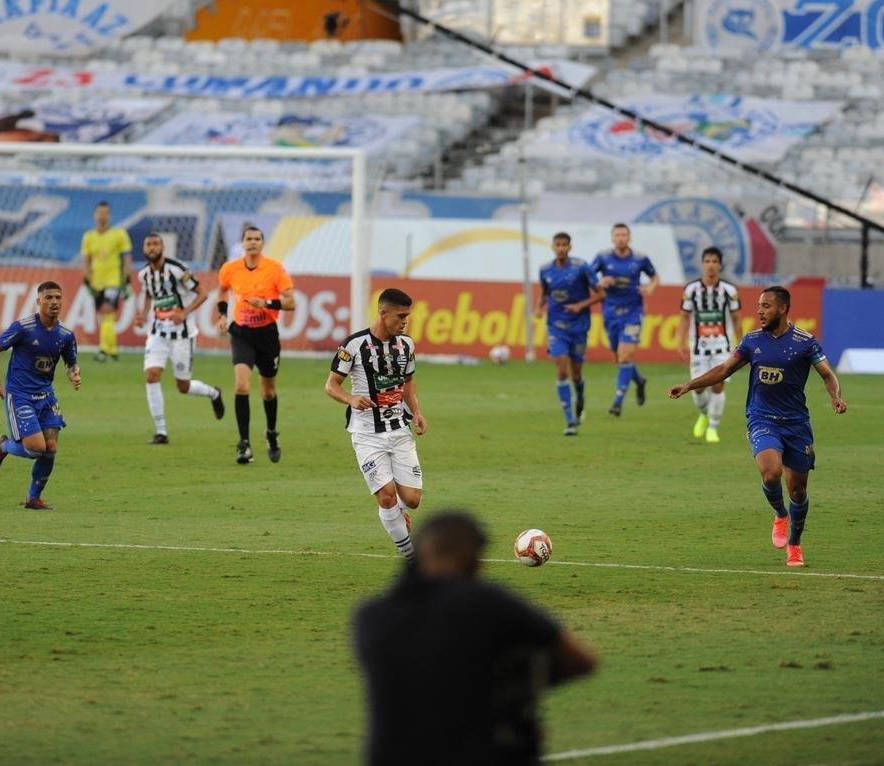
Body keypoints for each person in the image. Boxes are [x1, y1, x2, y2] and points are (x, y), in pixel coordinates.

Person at [354, 511, 598, 766]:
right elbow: (582, 660)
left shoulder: (369, 617)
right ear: (469, 558)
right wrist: (513, 684)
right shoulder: (485, 602)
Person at [668, 286, 847, 567]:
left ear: (783, 308)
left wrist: (835, 396)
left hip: (796, 423)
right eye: (759, 306)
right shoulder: (751, 341)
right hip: (761, 418)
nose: (760, 311)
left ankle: (796, 544)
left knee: (798, 490)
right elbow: (724, 370)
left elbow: (827, 373)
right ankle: (779, 513)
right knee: (771, 473)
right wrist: (689, 385)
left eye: (766, 306)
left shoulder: (805, 342)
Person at [325, 288, 428, 560]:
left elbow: (408, 383)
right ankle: (410, 557)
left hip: (399, 431)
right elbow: (331, 385)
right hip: (366, 434)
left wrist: (416, 412)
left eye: (407, 316)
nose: (405, 321)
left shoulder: (406, 345)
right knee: (386, 497)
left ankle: (398, 513)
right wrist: (351, 399)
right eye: (400, 316)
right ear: (383, 313)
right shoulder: (353, 345)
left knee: (413, 500)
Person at [0, 281, 81, 510]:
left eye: (58, 298)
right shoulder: (23, 327)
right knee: (36, 448)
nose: (54, 302)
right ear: (39, 302)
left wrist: (74, 374)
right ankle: (5, 446)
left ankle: (33, 497)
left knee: (51, 448)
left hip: (46, 396)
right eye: (48, 298)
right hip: (20, 395)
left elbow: (70, 362)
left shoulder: (66, 335)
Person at [133, 232, 225, 444]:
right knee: (152, 375)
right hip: (157, 333)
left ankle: (213, 393)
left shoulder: (177, 269)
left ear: (163, 247)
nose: (152, 248)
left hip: (182, 335)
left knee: (182, 386)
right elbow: (149, 294)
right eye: (148, 245)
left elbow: (203, 293)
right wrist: (144, 313)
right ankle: (161, 432)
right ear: (145, 249)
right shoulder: (144, 275)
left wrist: (184, 312)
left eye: (156, 244)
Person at [215, 224, 295, 464]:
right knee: (241, 386)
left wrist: (268, 303)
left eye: (257, 239)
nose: (252, 242)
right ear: (242, 243)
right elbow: (222, 291)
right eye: (248, 238)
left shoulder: (275, 269)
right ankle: (244, 444)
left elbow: (290, 303)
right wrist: (222, 315)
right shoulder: (230, 269)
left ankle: (271, 433)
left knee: (268, 390)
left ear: (262, 243)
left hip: (267, 334)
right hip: (241, 333)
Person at [535, 232, 605, 435]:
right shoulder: (545, 270)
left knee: (576, 374)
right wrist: (540, 307)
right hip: (556, 326)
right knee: (561, 369)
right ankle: (569, 420)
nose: (561, 248)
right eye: (557, 244)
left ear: (570, 247)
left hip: (579, 326)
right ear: (552, 247)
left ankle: (580, 397)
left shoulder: (581, 268)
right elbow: (545, 293)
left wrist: (580, 305)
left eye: (564, 245)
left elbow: (601, 294)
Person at [591, 223, 659, 417]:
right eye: (617, 235)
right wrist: (599, 283)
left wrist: (651, 288)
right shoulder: (603, 257)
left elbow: (654, 276)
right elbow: (588, 277)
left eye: (624, 234)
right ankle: (639, 380)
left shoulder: (639, 258)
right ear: (612, 238)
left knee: (626, 355)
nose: (620, 238)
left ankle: (618, 401)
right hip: (610, 313)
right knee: (619, 358)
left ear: (629, 237)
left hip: (632, 313)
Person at [677, 246, 742, 443]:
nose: (711, 265)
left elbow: (737, 319)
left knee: (717, 385)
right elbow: (684, 318)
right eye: (707, 261)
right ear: (702, 264)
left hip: (722, 347)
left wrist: (741, 344)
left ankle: (713, 426)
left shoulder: (730, 291)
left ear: (720, 265)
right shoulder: (691, 290)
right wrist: (680, 342)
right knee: (697, 388)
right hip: (698, 348)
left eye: (714, 261)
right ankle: (704, 414)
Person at [80, 201, 132, 362]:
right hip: (96, 282)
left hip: (113, 281)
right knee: (105, 316)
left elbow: (127, 259)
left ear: (109, 215)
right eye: (100, 212)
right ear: (95, 215)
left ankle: (103, 349)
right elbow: (87, 261)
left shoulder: (119, 234)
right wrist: (87, 281)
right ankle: (113, 350)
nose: (102, 215)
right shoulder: (89, 236)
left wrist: (127, 281)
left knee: (107, 311)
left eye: (105, 213)